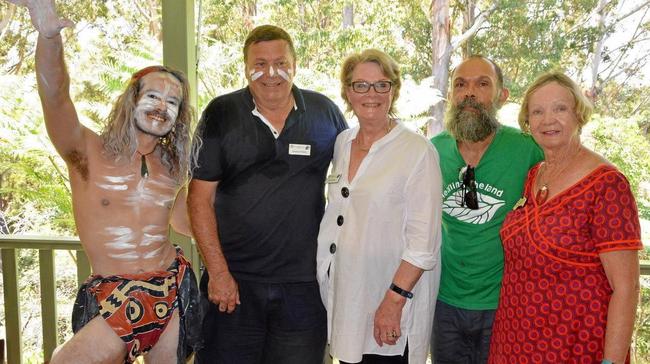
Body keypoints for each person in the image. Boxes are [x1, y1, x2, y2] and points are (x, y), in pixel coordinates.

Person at [8, 1, 202, 363]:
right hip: (114, 293)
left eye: (173, 102)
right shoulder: (86, 151)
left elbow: (181, 221)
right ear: (132, 100)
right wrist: (49, 38)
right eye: (154, 96)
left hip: (172, 289)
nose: (162, 106)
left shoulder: (174, 169)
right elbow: (55, 97)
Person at [188, 25, 347, 364]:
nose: (271, 73)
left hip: (305, 287)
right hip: (233, 285)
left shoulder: (325, 113)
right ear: (245, 67)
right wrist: (217, 274)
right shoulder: (221, 113)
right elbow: (198, 199)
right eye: (259, 63)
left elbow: (357, 181)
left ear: (295, 64)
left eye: (281, 62)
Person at [488, 72, 642, 364]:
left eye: (560, 109)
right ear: (528, 122)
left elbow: (627, 288)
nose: (548, 120)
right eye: (538, 111)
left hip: (575, 346)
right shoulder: (535, 175)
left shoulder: (606, 184)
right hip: (515, 341)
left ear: (578, 114)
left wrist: (611, 361)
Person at [316, 49, 442, 364]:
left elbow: (423, 243)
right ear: (347, 91)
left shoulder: (417, 151)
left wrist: (392, 302)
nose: (371, 94)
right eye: (361, 85)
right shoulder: (343, 143)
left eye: (381, 85)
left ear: (394, 90)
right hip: (349, 296)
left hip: (389, 299)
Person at [430, 55, 544, 363]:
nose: (470, 92)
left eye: (482, 84)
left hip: (505, 303)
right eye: (460, 84)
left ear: (501, 95)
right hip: (443, 304)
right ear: (451, 94)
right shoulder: (432, 150)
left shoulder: (527, 149)